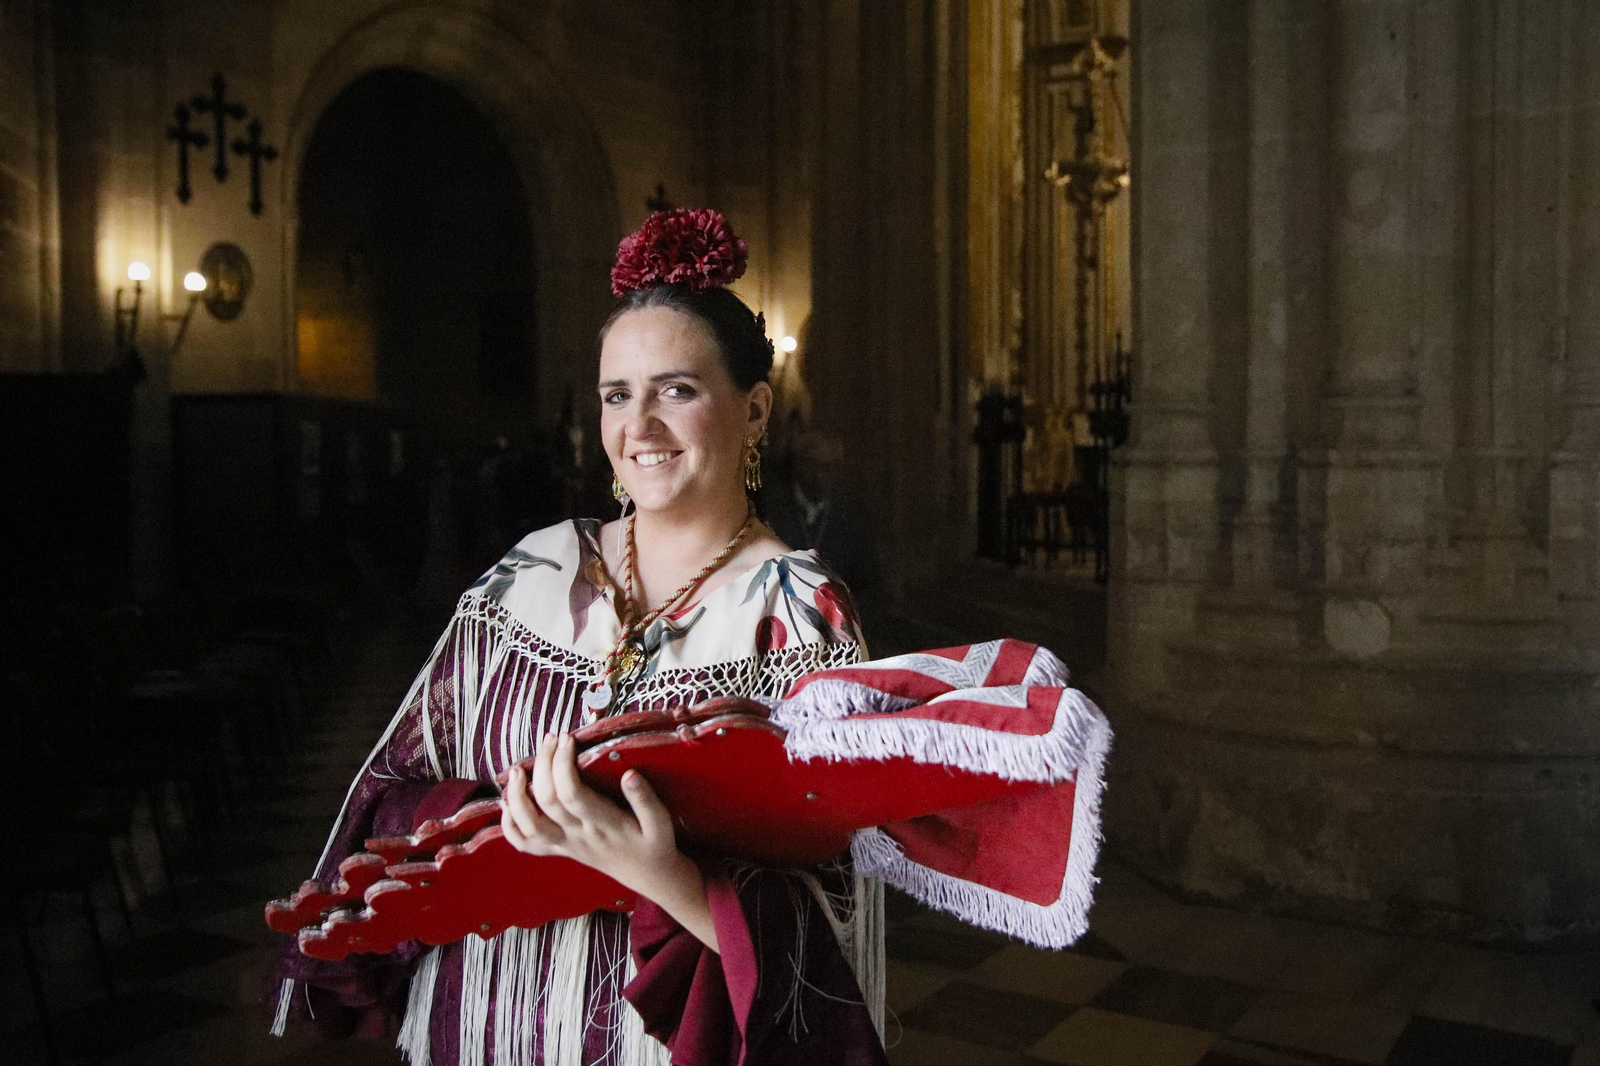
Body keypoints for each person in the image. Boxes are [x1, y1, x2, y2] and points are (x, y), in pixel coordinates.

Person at [269, 208, 887, 1066]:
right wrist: (496, 821)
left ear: (754, 411)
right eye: (616, 395)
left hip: (656, 1041)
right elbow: (393, 789)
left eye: (677, 389)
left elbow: (831, 915)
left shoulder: (801, 610)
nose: (639, 426)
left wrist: (649, 868)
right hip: (483, 1015)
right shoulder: (530, 572)